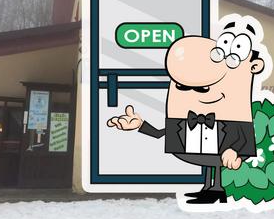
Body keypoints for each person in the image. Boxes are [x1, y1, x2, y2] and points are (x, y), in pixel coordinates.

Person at [108, 19, 264, 204]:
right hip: (200, 147)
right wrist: (140, 125)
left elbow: (243, 138)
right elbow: (161, 134)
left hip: (225, 150)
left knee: (214, 160)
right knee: (208, 162)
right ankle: (208, 188)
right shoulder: (184, 120)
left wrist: (234, 151)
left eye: (203, 88)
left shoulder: (235, 118)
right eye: (182, 86)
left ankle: (217, 189)